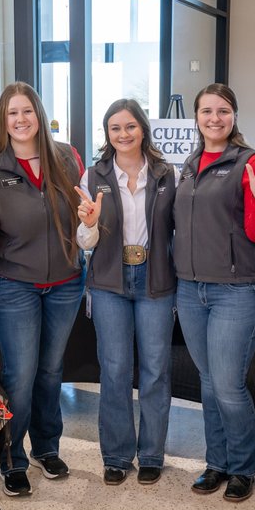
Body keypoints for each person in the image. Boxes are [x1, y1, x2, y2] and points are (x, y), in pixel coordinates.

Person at [0, 82, 85, 498]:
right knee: (20, 373)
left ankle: (46, 449)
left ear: (39, 115)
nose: (21, 119)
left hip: (67, 284)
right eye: (12, 113)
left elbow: (85, 217)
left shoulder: (67, 158)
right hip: (14, 284)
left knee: (52, 372)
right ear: (3, 120)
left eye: (27, 111)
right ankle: (13, 456)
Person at [174, 83, 255, 503]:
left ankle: (242, 468)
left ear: (234, 115)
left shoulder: (248, 162)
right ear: (196, 118)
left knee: (229, 385)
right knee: (207, 382)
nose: (214, 118)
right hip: (190, 289)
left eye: (222, 111)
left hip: (237, 292)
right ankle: (216, 463)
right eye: (206, 111)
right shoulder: (190, 163)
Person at [74, 99, 177, 487]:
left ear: (143, 129)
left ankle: (151, 454)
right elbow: (86, 242)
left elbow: (178, 229)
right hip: (108, 282)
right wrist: (90, 224)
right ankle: (116, 455)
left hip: (155, 279)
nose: (123, 134)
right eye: (115, 128)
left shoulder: (168, 174)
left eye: (130, 126)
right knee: (115, 370)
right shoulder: (93, 176)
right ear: (107, 134)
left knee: (155, 371)